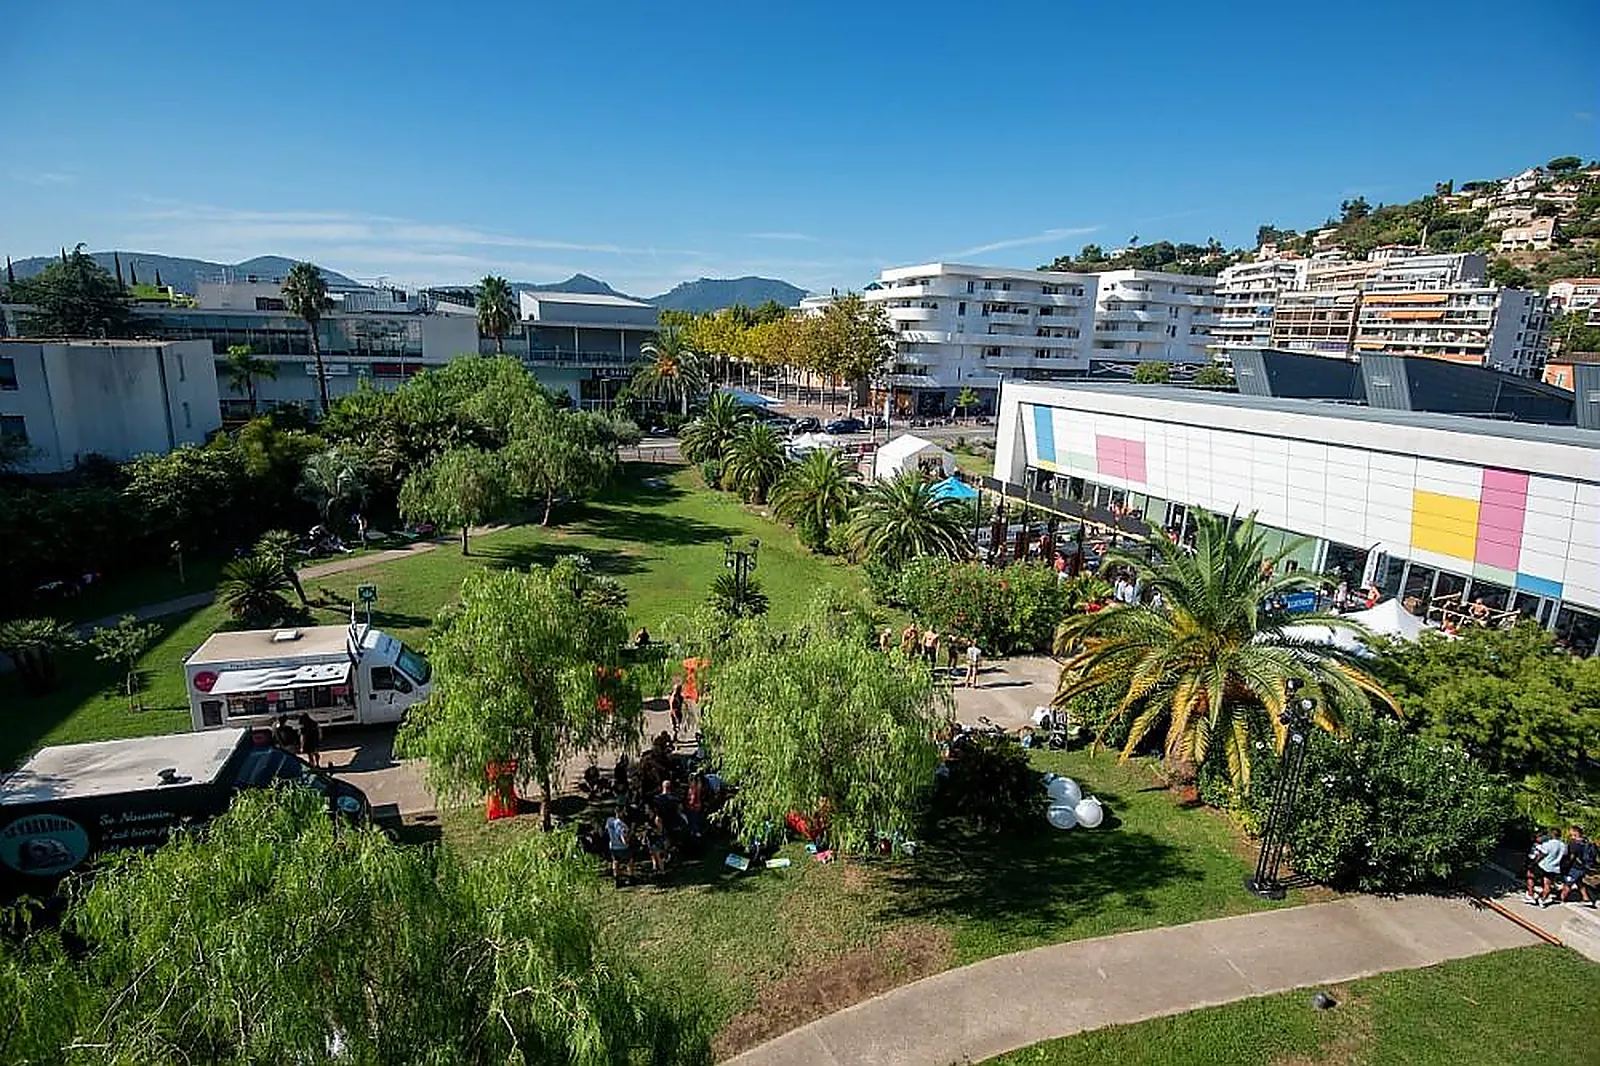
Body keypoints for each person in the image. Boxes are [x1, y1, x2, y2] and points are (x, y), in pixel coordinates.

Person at [1526, 829, 1568, 906]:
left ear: (1551, 835)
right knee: (1547, 884)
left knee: (1530, 876)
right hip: (1554, 867)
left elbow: (1542, 855)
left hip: (1543, 865)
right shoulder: (1563, 845)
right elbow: (1565, 856)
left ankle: (1530, 895)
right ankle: (1543, 899)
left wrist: (1534, 863)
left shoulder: (1548, 844)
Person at [1560, 826, 1596, 907]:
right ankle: (1586, 899)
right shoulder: (1586, 841)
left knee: (1568, 884)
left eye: (1571, 832)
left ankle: (1562, 899)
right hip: (1584, 867)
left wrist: (1565, 866)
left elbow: (1571, 857)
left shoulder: (1574, 843)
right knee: (1579, 882)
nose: (1569, 833)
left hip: (1575, 867)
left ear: (1575, 833)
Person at [605, 808, 634, 882]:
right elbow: (624, 839)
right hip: (622, 847)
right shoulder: (622, 825)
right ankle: (630, 878)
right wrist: (630, 835)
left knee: (615, 861)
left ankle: (616, 879)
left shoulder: (609, 821)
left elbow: (606, 830)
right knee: (629, 861)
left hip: (612, 846)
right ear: (621, 813)